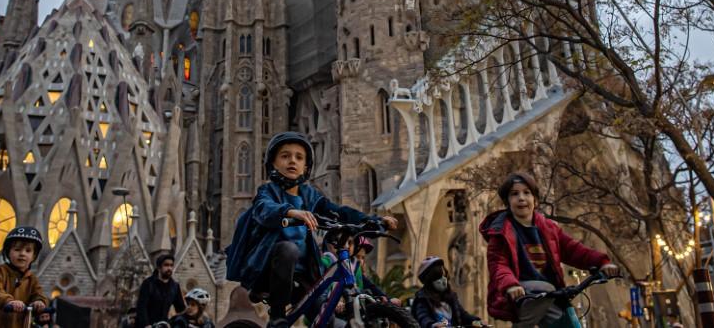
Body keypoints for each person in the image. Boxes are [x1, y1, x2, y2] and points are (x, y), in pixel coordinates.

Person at [224, 132, 397, 328]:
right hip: (269, 271)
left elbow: (338, 211)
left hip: (304, 276)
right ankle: (277, 316)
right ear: (273, 163)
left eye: (299, 157)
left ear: (305, 167)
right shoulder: (268, 192)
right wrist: (290, 212)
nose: (292, 161)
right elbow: (264, 210)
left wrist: (373, 221)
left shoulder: (309, 195)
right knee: (288, 249)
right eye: (285, 156)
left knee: (326, 317)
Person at [478, 172, 619, 328]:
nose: (521, 198)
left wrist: (601, 262)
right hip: (522, 296)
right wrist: (510, 285)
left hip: (551, 295)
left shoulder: (549, 228)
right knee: (538, 301)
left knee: (565, 322)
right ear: (507, 202)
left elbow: (573, 250)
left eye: (527, 193)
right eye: (514, 194)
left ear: (535, 200)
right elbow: (498, 265)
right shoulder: (499, 233)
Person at [0, 227, 48, 328]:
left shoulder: (32, 279)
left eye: (28, 250)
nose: (22, 254)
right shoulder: (0, 272)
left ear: (34, 256)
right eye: (17, 249)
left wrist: (39, 302)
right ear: (8, 252)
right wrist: (9, 301)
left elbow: (38, 293)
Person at [410, 257, 481, 328]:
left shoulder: (451, 297)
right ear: (429, 281)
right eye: (438, 278)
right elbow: (423, 317)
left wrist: (476, 321)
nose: (443, 280)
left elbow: (462, 314)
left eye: (444, 276)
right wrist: (432, 325)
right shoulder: (422, 299)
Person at [135, 254, 184, 328]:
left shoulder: (175, 287)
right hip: (146, 325)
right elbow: (141, 307)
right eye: (166, 265)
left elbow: (180, 309)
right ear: (159, 267)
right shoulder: (148, 283)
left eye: (171, 265)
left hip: (163, 325)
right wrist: (146, 324)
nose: (169, 268)